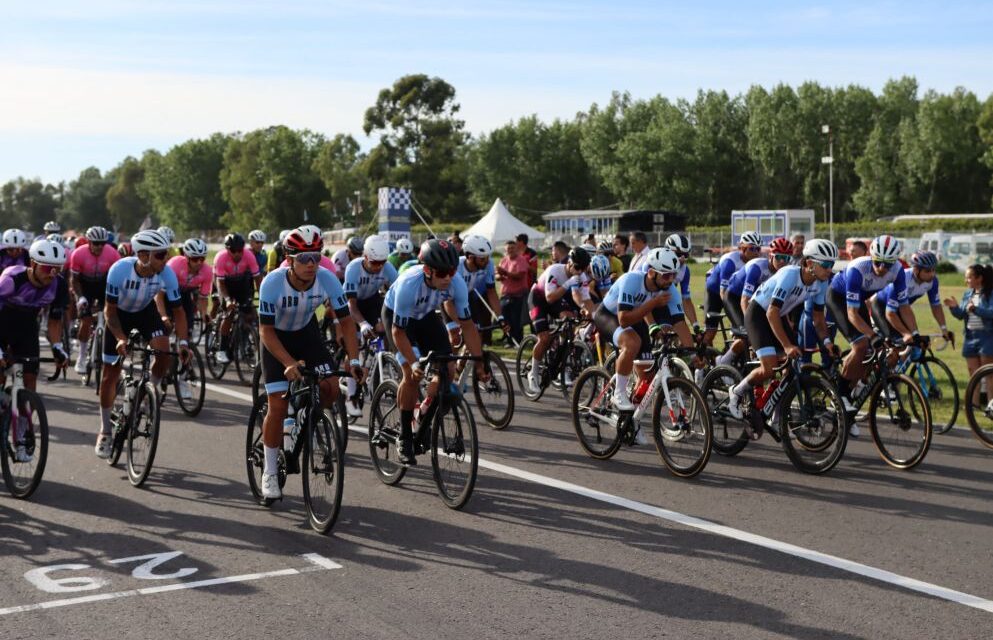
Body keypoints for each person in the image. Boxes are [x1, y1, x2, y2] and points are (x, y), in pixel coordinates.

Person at [257, 226, 363, 500]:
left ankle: (304, 416)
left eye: (316, 257)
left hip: (306, 334)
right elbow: (265, 331)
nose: (311, 264)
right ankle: (270, 471)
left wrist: (354, 359)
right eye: (304, 258)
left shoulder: (327, 279)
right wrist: (288, 362)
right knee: (278, 405)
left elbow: (346, 322)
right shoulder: (272, 282)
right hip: (276, 339)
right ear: (289, 259)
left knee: (330, 388)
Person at [383, 238, 487, 466]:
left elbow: (468, 326)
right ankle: (405, 437)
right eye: (442, 273)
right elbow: (399, 332)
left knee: (448, 370)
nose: (448, 277)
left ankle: (423, 413)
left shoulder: (456, 284)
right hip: (399, 321)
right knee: (411, 375)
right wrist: (414, 363)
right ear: (427, 270)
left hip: (426, 317)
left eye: (451, 271)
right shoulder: (409, 284)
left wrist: (480, 362)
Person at [727, 239, 840, 432]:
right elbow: (771, 312)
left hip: (778, 316)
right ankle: (737, 391)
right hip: (758, 314)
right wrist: (787, 346)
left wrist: (828, 342)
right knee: (769, 368)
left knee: (791, 367)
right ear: (810, 263)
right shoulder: (789, 274)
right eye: (826, 264)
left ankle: (776, 414)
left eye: (832, 264)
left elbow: (818, 319)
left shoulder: (821, 283)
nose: (830, 269)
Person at [97, 230, 191, 458]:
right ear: (142, 255)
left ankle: (150, 392)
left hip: (145, 312)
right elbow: (109, 312)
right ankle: (105, 431)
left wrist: (183, 342)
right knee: (110, 374)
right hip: (119, 315)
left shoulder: (166, 274)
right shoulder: (119, 270)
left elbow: (179, 311)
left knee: (164, 352)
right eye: (160, 255)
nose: (165, 259)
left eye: (166, 253)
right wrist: (121, 338)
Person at [592, 248, 693, 441]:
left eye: (673, 275)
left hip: (635, 317)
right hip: (609, 315)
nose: (671, 280)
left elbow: (680, 322)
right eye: (666, 275)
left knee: (647, 375)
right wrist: (653, 303)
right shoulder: (632, 280)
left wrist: (693, 352)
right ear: (652, 272)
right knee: (632, 343)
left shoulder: (669, 290)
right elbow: (623, 320)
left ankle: (631, 421)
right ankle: (619, 393)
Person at [0, 239, 70, 458]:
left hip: (27, 327)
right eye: (48, 268)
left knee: (29, 381)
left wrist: (57, 347)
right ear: (33, 264)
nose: (53, 274)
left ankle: (22, 434)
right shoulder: (11, 279)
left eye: (57, 269)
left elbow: (55, 320)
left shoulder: (58, 285)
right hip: (2, 324)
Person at [825, 234, 907, 422]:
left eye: (887, 264)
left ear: (894, 262)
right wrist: (872, 335)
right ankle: (839, 395)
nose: (881, 268)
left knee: (871, 351)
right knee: (861, 344)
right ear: (871, 257)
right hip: (838, 298)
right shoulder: (858, 268)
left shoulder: (898, 271)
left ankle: (852, 397)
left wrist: (911, 334)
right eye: (878, 262)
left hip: (858, 301)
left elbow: (904, 306)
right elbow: (852, 314)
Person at [342, 235, 398, 416]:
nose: (379, 267)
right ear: (365, 257)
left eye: (382, 262)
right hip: (352, 304)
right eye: (374, 263)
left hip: (372, 301)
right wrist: (363, 324)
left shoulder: (387, 268)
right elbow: (351, 306)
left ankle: (374, 363)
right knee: (354, 346)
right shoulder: (353, 268)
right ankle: (351, 396)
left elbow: (398, 295)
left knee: (382, 330)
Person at [716, 237, 793, 367]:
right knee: (747, 333)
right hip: (734, 297)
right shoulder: (757, 267)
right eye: (779, 257)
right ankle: (724, 360)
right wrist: (751, 323)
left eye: (786, 258)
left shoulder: (784, 274)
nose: (782, 262)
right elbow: (744, 299)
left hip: (755, 300)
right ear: (771, 256)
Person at [526, 247, 592, 394]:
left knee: (570, 320)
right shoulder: (555, 270)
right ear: (569, 262)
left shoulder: (581, 276)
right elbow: (549, 298)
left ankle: (561, 362)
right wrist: (568, 284)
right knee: (544, 338)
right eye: (577, 268)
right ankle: (533, 372)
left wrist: (590, 312)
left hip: (555, 298)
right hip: (538, 298)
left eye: (583, 269)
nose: (580, 272)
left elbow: (585, 298)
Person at [69, 226, 120, 375]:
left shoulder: (112, 253)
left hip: (104, 285)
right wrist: (80, 297)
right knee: (86, 320)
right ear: (89, 242)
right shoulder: (78, 254)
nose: (99, 247)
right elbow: (74, 280)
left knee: (111, 318)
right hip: (85, 286)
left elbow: (118, 277)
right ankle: (82, 356)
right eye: (96, 243)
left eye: (103, 243)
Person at [870, 251, 950, 346]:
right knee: (898, 342)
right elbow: (890, 313)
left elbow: (936, 306)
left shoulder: (932, 282)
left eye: (934, 270)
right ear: (916, 269)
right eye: (928, 271)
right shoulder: (902, 279)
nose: (932, 274)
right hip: (881, 307)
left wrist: (944, 329)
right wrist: (906, 334)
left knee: (916, 342)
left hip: (901, 310)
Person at [702, 231, 762, 347]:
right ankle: (702, 354)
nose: (756, 252)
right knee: (710, 333)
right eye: (752, 248)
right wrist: (731, 312)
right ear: (742, 248)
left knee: (742, 327)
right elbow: (723, 292)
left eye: (758, 249)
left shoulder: (756, 263)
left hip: (734, 293)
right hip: (715, 292)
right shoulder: (730, 262)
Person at [945, 264, 993, 409]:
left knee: (988, 374)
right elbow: (961, 315)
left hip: (986, 337)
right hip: (970, 337)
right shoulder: (968, 294)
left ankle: (991, 406)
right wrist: (954, 308)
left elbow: (991, 313)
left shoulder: (990, 294)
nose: (966, 280)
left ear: (979, 278)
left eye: (969, 277)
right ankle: (973, 405)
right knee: (973, 373)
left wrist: (975, 309)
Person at [212, 232, 262, 364]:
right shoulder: (221, 258)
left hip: (241, 283)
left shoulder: (249, 255)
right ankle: (222, 349)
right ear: (227, 249)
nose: (237, 254)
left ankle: (243, 343)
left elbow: (257, 279)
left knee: (250, 313)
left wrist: (264, 297)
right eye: (233, 251)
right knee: (229, 313)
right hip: (224, 284)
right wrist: (227, 300)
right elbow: (220, 284)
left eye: (240, 250)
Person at [454, 235, 505, 347]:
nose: (487, 261)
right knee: (455, 336)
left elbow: (491, 292)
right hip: (451, 299)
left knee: (477, 333)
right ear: (470, 257)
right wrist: (460, 323)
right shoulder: (456, 267)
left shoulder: (489, 264)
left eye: (487, 257)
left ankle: (470, 357)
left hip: (468, 296)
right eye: (482, 259)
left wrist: (500, 317)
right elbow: (448, 301)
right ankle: (451, 358)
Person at [168, 239, 213, 360]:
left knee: (187, 328)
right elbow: (161, 293)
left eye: (202, 259)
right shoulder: (175, 264)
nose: (199, 262)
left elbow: (203, 298)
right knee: (166, 324)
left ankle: (184, 356)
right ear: (187, 257)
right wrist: (164, 316)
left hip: (186, 295)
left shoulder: (207, 271)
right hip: (168, 293)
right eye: (195, 259)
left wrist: (204, 314)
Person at [497, 239, 530, 346]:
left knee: (517, 320)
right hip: (505, 295)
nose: (510, 250)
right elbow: (497, 275)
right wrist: (500, 276)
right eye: (508, 248)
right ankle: (509, 341)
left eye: (512, 248)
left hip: (518, 295)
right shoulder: (503, 260)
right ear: (505, 250)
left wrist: (505, 273)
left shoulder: (521, 260)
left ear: (516, 249)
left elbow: (520, 275)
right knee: (506, 320)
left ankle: (518, 341)